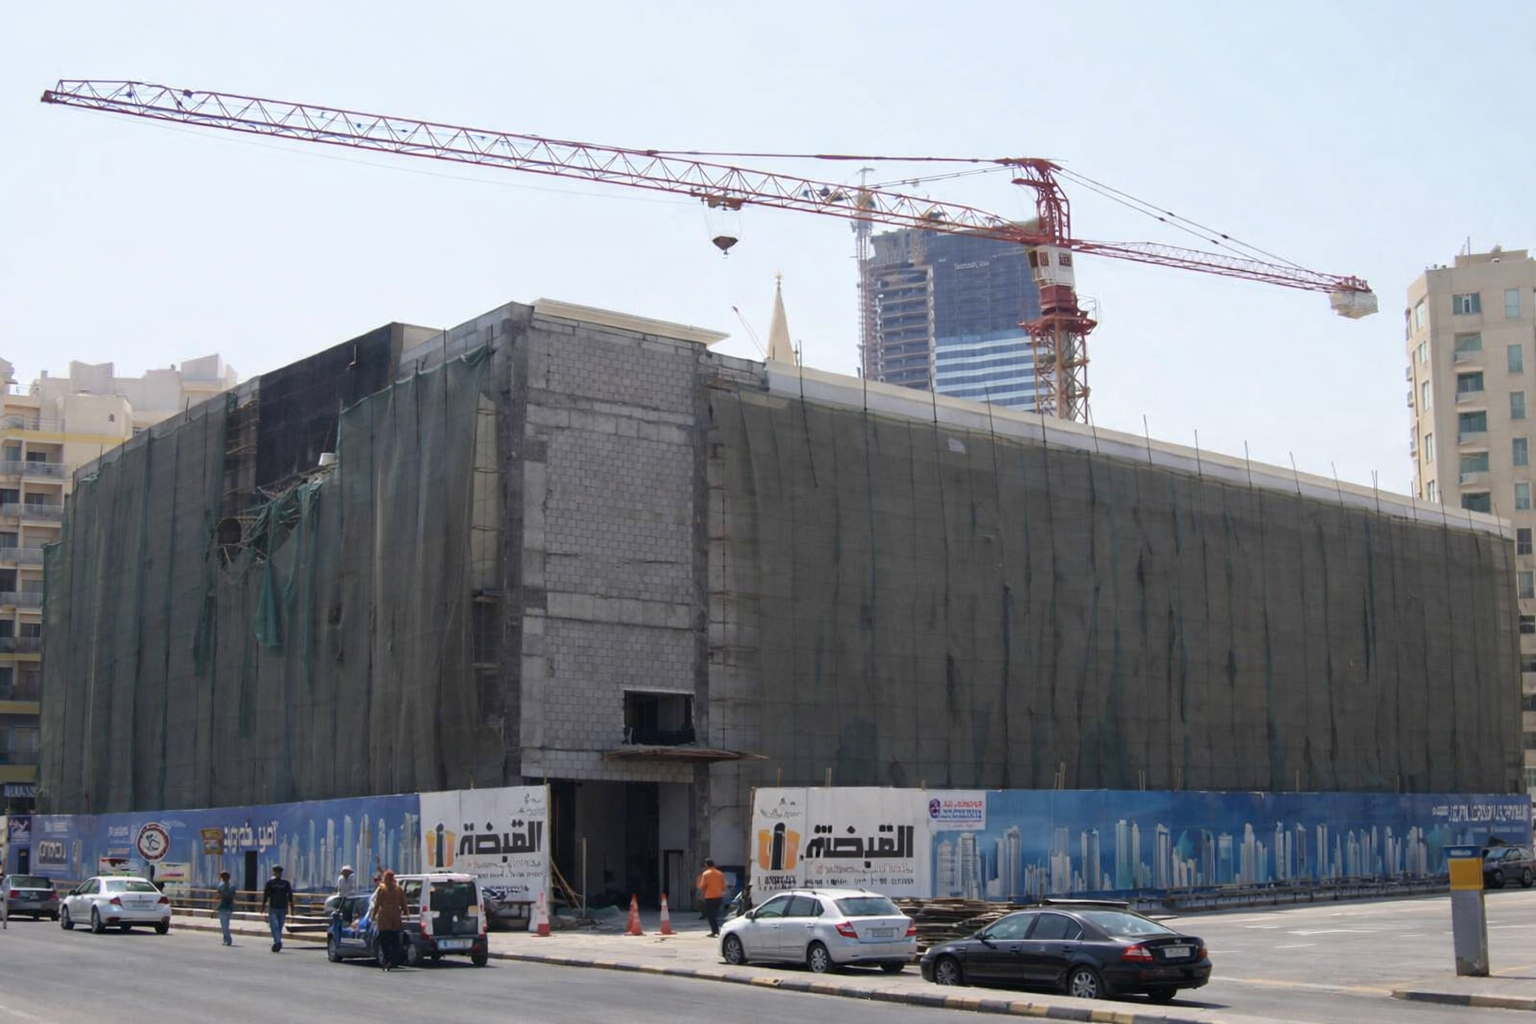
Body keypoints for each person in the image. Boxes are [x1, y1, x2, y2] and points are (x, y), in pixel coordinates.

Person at [371, 869, 410, 971]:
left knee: (391, 941)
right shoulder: (395, 889)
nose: (385, 880)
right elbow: (403, 904)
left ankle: (390, 961)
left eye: (386, 878)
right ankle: (390, 961)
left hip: (388, 920)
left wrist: (406, 913)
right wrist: (406, 913)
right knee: (389, 941)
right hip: (391, 920)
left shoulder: (386, 889)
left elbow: (403, 903)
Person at [259, 865, 294, 953]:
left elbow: (290, 895)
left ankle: (277, 941)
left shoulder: (286, 883)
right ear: (274, 873)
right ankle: (278, 942)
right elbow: (266, 895)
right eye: (276, 872)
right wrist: (263, 907)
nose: (278, 874)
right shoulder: (270, 883)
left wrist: (291, 906)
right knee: (274, 926)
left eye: (279, 872)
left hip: (282, 908)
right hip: (273, 907)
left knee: (280, 926)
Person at [697, 858, 727, 938]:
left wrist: (702, 896)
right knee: (717, 915)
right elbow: (724, 887)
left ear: (706, 865)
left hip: (710, 897)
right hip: (719, 897)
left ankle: (715, 931)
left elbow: (703, 887)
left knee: (710, 916)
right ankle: (720, 930)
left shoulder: (706, 874)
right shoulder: (720, 873)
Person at [215, 870, 237, 946]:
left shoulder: (225, 886)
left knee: (225, 925)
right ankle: (226, 939)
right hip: (225, 907)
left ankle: (228, 940)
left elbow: (219, 896)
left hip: (225, 907)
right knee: (225, 925)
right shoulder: (230, 886)